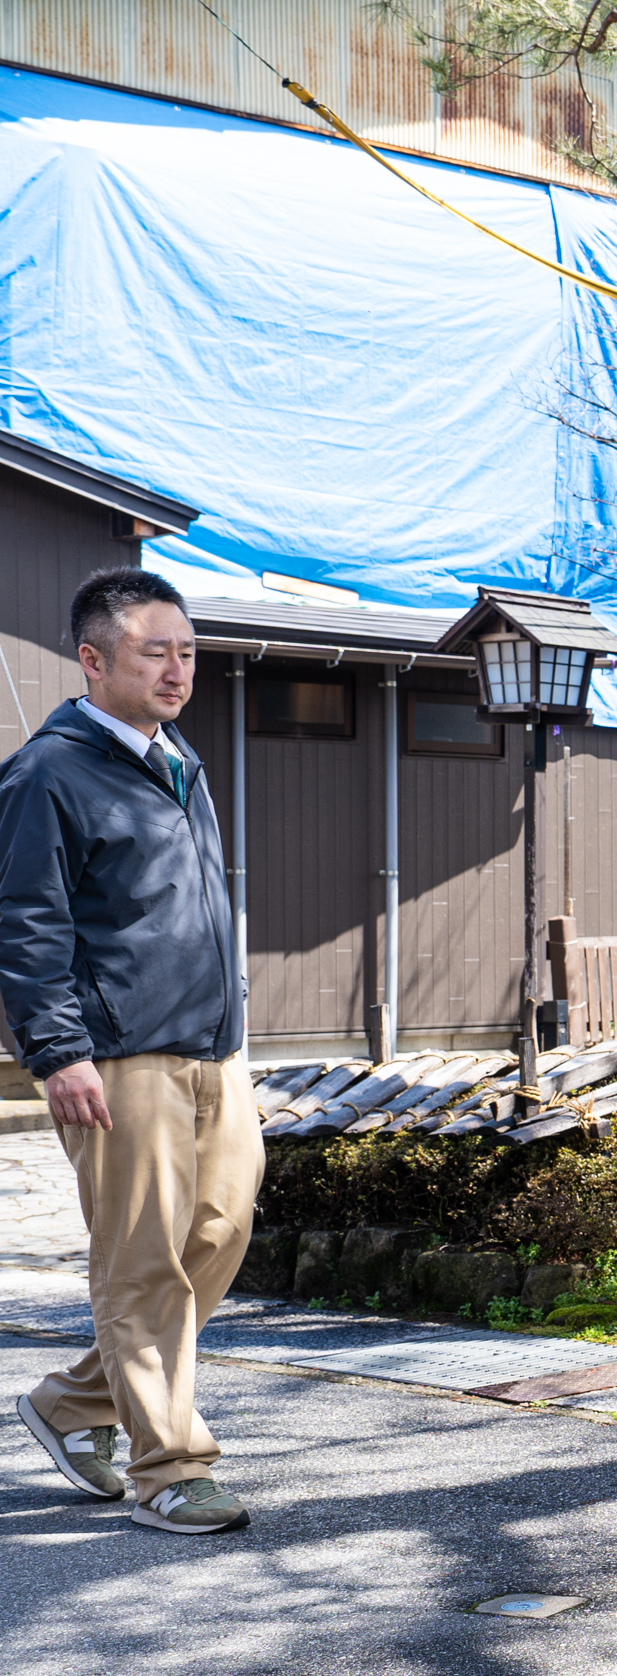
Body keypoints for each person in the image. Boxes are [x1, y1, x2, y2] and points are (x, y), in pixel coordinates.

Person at [0, 569, 256, 1536]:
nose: (178, 670)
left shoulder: (174, 757)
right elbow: (24, 922)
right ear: (94, 659)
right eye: (156, 652)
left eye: (188, 652)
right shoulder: (46, 775)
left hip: (212, 1048)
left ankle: (72, 1404)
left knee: (217, 1238)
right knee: (142, 1263)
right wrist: (57, 1051)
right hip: (116, 1058)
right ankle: (170, 1468)